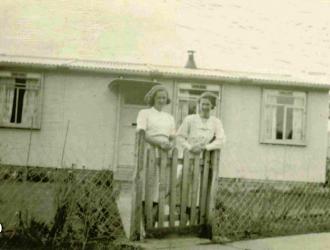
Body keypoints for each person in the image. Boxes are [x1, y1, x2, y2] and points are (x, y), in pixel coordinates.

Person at [176, 92, 226, 217]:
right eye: (203, 104)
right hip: (188, 157)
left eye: (208, 104)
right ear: (198, 105)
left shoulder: (216, 122)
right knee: (182, 184)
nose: (205, 107)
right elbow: (180, 137)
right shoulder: (190, 119)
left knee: (199, 188)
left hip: (204, 159)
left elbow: (221, 140)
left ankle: (196, 214)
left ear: (212, 106)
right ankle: (181, 212)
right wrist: (190, 147)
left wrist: (205, 147)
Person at [136, 85, 175, 222]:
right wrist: (158, 143)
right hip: (149, 149)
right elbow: (142, 133)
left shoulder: (169, 117)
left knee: (162, 184)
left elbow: (171, 137)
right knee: (148, 182)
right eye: (159, 97)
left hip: (164, 152)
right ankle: (143, 218)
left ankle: (153, 219)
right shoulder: (144, 113)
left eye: (164, 98)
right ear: (153, 98)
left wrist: (169, 145)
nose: (161, 100)